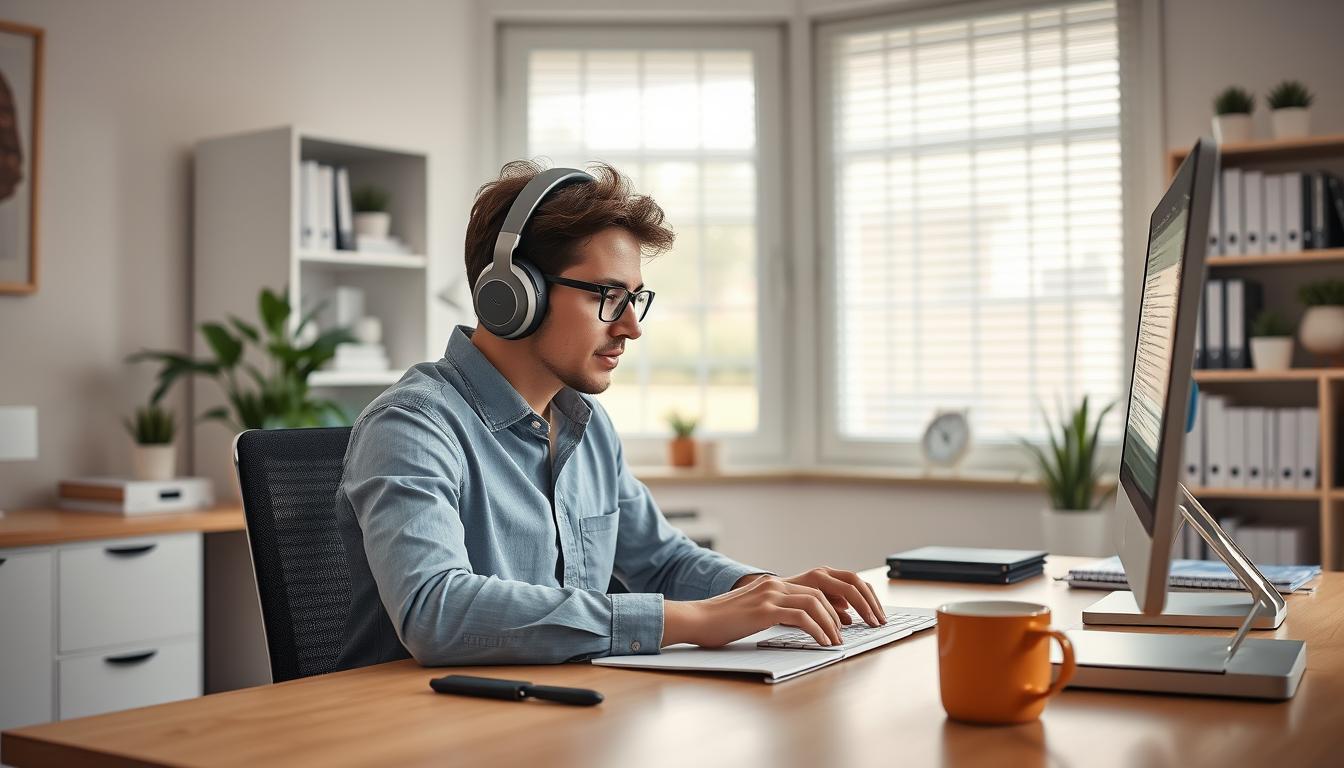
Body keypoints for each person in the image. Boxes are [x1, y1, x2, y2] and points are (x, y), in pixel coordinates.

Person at [335, 160, 886, 668]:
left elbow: (662, 561)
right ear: (513, 294)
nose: (631, 327)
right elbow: (434, 609)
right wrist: (691, 620)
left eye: (634, 299)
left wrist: (765, 592)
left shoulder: (587, 426)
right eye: (607, 295)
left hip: (554, 708)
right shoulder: (411, 425)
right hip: (414, 720)